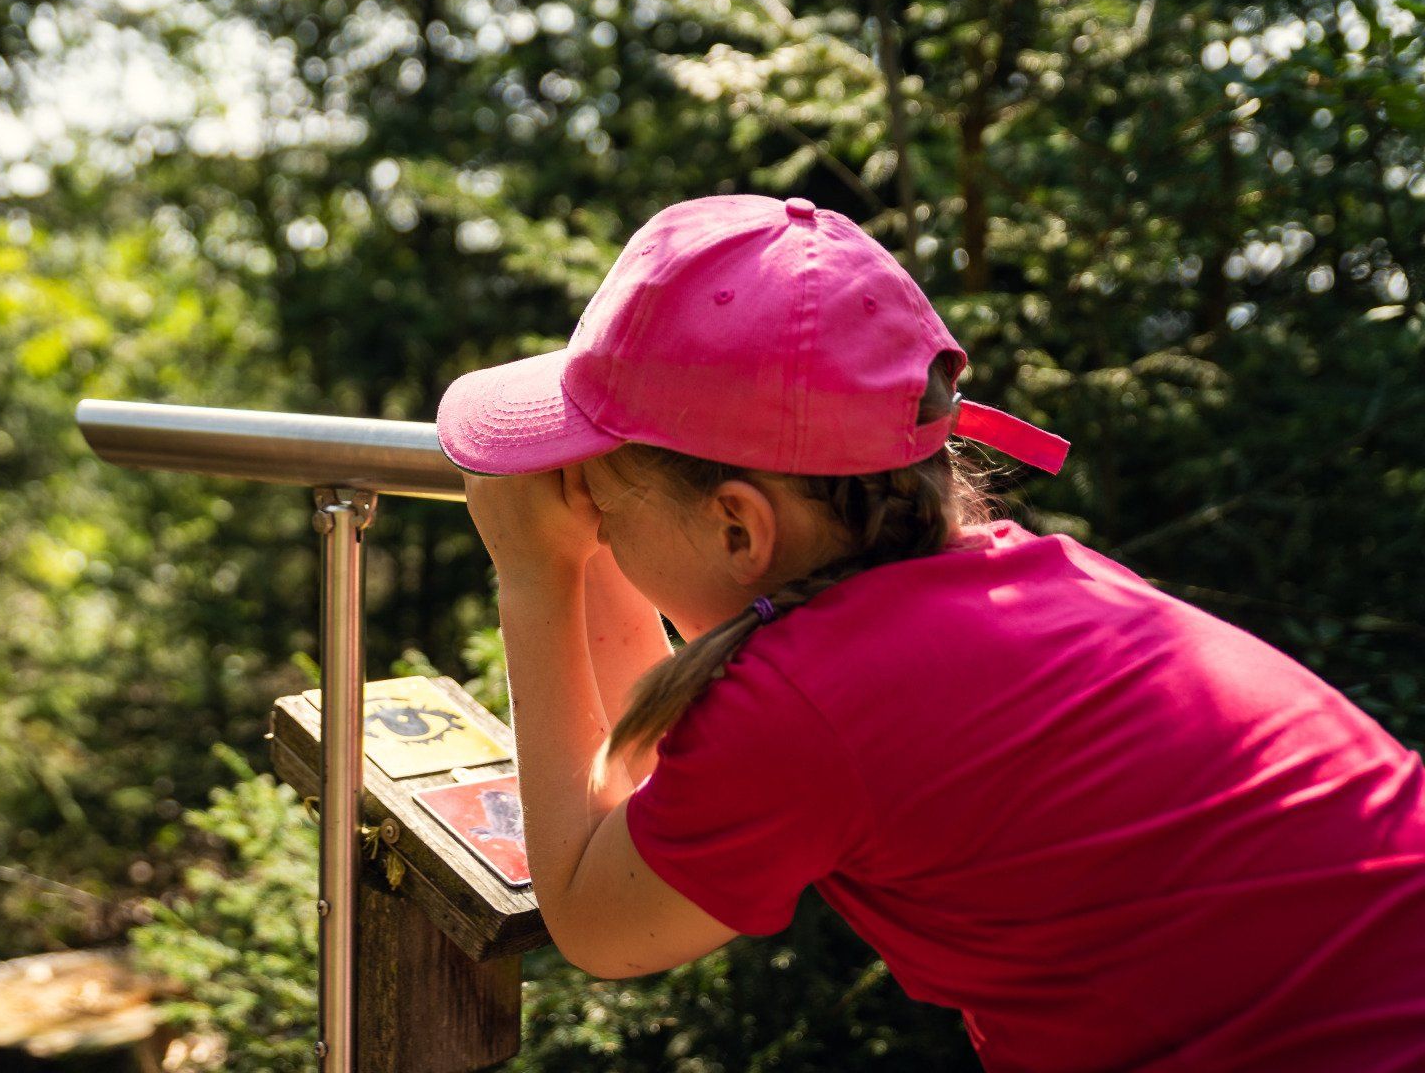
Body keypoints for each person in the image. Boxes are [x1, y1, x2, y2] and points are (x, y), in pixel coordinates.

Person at [433, 193, 1425, 1073]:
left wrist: (533, 573)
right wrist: (594, 535)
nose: (590, 528)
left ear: (739, 525)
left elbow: (598, 915)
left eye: (604, 508)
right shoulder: (1013, 585)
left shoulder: (802, 699)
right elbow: (643, 800)